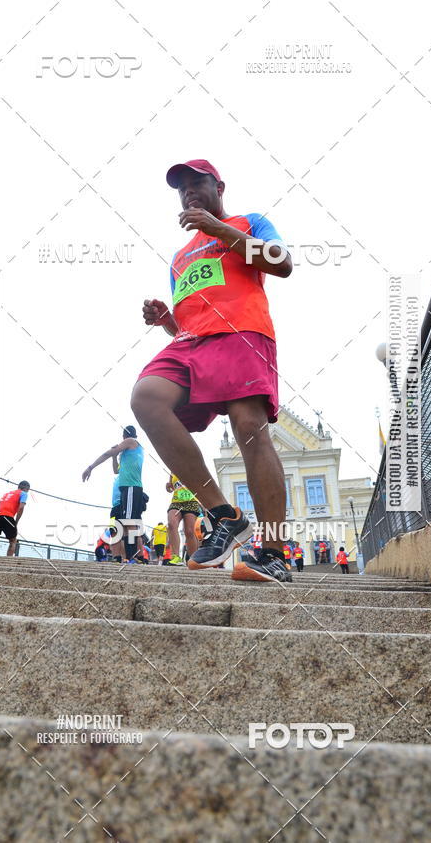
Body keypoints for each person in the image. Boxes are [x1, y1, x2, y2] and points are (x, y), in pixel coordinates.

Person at [130, 159, 292, 583]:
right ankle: (224, 515)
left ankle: (274, 553)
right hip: (190, 343)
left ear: (219, 185)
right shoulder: (180, 256)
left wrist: (220, 229)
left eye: (196, 182)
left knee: (248, 426)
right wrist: (166, 319)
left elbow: (281, 261)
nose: (188, 192)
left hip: (242, 331)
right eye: (180, 188)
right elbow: (186, 321)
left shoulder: (249, 221)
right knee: (146, 398)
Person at [82, 425, 145, 562]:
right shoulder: (129, 453)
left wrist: (90, 467)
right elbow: (116, 471)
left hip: (131, 488)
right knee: (121, 525)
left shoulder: (130, 442)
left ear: (124, 436)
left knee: (129, 522)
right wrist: (115, 457)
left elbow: (107, 453)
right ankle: (125, 557)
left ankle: (132, 557)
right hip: (126, 491)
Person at [0, 481, 30, 556]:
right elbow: (21, 507)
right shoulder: (24, 493)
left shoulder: (8, 493)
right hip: (7, 516)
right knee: (13, 541)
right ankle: (9, 560)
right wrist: (16, 522)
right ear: (27, 488)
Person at [166, 473, 201, 559]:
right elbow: (171, 488)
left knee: (189, 531)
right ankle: (175, 557)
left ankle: (193, 559)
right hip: (176, 502)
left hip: (191, 500)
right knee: (171, 524)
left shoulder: (192, 466)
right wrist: (168, 487)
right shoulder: (172, 470)